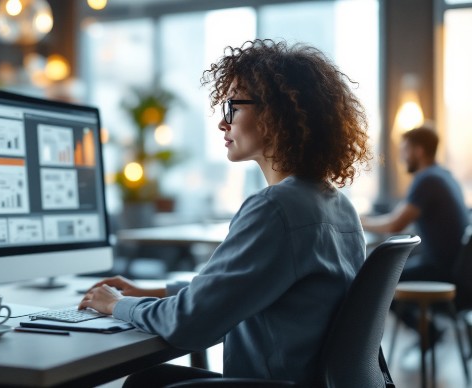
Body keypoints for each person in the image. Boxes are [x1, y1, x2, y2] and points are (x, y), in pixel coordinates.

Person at [79, 39, 372, 386]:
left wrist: (114, 305)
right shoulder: (337, 205)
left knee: (146, 383)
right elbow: (233, 288)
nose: (223, 122)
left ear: (276, 116)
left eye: (233, 106)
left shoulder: (275, 208)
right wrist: (151, 292)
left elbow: (190, 326)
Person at [361, 126, 469, 337]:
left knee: (377, 282)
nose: (402, 157)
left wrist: (358, 221)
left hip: (442, 272)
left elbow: (394, 224)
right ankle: (429, 333)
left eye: (405, 150)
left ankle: (429, 334)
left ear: (418, 151)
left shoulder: (426, 180)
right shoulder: (445, 176)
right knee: (386, 276)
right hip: (458, 271)